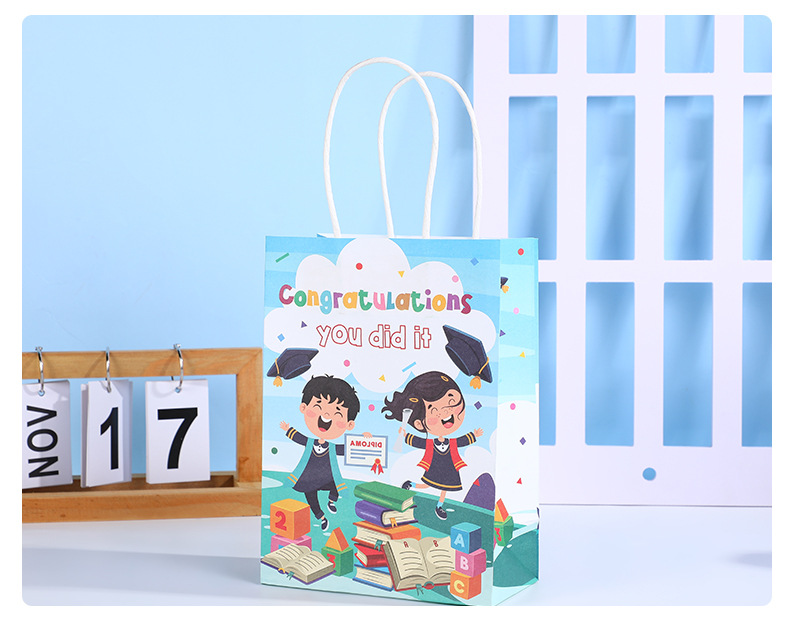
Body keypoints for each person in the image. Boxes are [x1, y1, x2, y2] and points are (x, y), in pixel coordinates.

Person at [382, 371, 483, 520]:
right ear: (419, 424)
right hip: (435, 468)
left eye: (451, 400)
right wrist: (405, 436)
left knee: (444, 489)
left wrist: (473, 435)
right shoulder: (431, 443)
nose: (445, 411)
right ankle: (411, 485)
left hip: (449, 469)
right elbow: (419, 442)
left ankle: (439, 506)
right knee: (428, 485)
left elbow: (461, 441)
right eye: (433, 409)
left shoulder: (451, 443)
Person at [280, 375, 368, 531]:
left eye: (337, 413)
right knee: (310, 497)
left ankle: (331, 501)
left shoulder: (332, 447)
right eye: (318, 407)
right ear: (303, 408)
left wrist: (363, 441)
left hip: (326, 478)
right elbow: (299, 438)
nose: (326, 415)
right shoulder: (310, 443)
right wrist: (288, 430)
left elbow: (347, 449)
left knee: (336, 484)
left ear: (349, 424)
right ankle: (321, 518)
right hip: (308, 478)